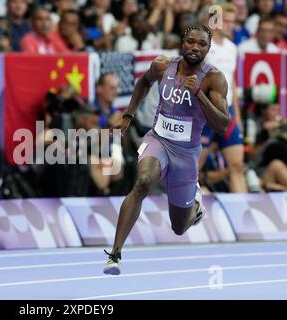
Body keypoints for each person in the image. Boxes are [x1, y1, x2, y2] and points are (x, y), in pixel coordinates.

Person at [103, 25, 230, 275]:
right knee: (143, 182)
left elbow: (222, 125)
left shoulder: (214, 78)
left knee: (179, 227)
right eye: (190, 41)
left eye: (201, 44)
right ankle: (115, 254)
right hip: (158, 140)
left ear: (208, 48)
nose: (195, 47)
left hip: (186, 154)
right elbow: (143, 83)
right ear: (183, 42)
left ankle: (195, 205)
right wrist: (128, 116)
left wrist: (199, 96)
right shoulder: (163, 66)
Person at [200, 3, 248, 193]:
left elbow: (233, 84)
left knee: (237, 165)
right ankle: (185, 210)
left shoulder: (232, 48)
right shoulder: (203, 47)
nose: (230, 25)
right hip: (205, 112)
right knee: (194, 167)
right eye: (225, 21)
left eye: (232, 21)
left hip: (226, 112)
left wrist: (236, 115)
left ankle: (242, 213)